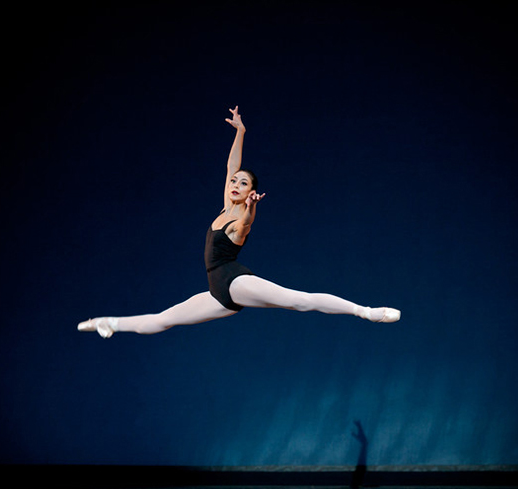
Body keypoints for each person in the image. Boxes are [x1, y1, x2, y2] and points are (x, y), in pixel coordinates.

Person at [78, 106, 400, 338]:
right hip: (218, 294)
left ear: (251, 192)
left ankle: (366, 312)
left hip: (235, 282)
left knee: (298, 301)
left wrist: (250, 208)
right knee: (164, 320)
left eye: (243, 184)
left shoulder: (238, 217)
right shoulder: (223, 207)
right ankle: (110, 322)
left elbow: (244, 225)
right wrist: (241, 131)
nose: (235, 184)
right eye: (235, 182)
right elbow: (232, 165)